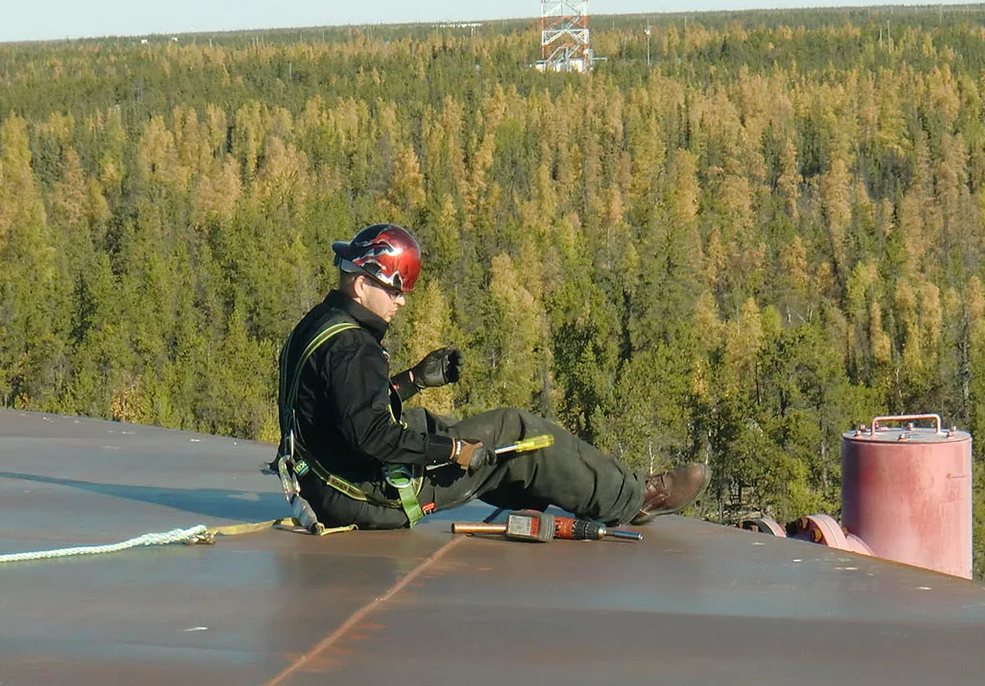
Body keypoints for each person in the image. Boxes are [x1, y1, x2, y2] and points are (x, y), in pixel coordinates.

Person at [275, 223, 707, 531]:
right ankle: (634, 499)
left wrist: (413, 381)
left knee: (437, 427)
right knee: (513, 430)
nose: (401, 302)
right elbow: (372, 436)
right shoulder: (355, 349)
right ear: (360, 284)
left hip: (324, 483)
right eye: (394, 289)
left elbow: (342, 412)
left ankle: (575, 494)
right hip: (360, 498)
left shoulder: (322, 323)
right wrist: (454, 449)